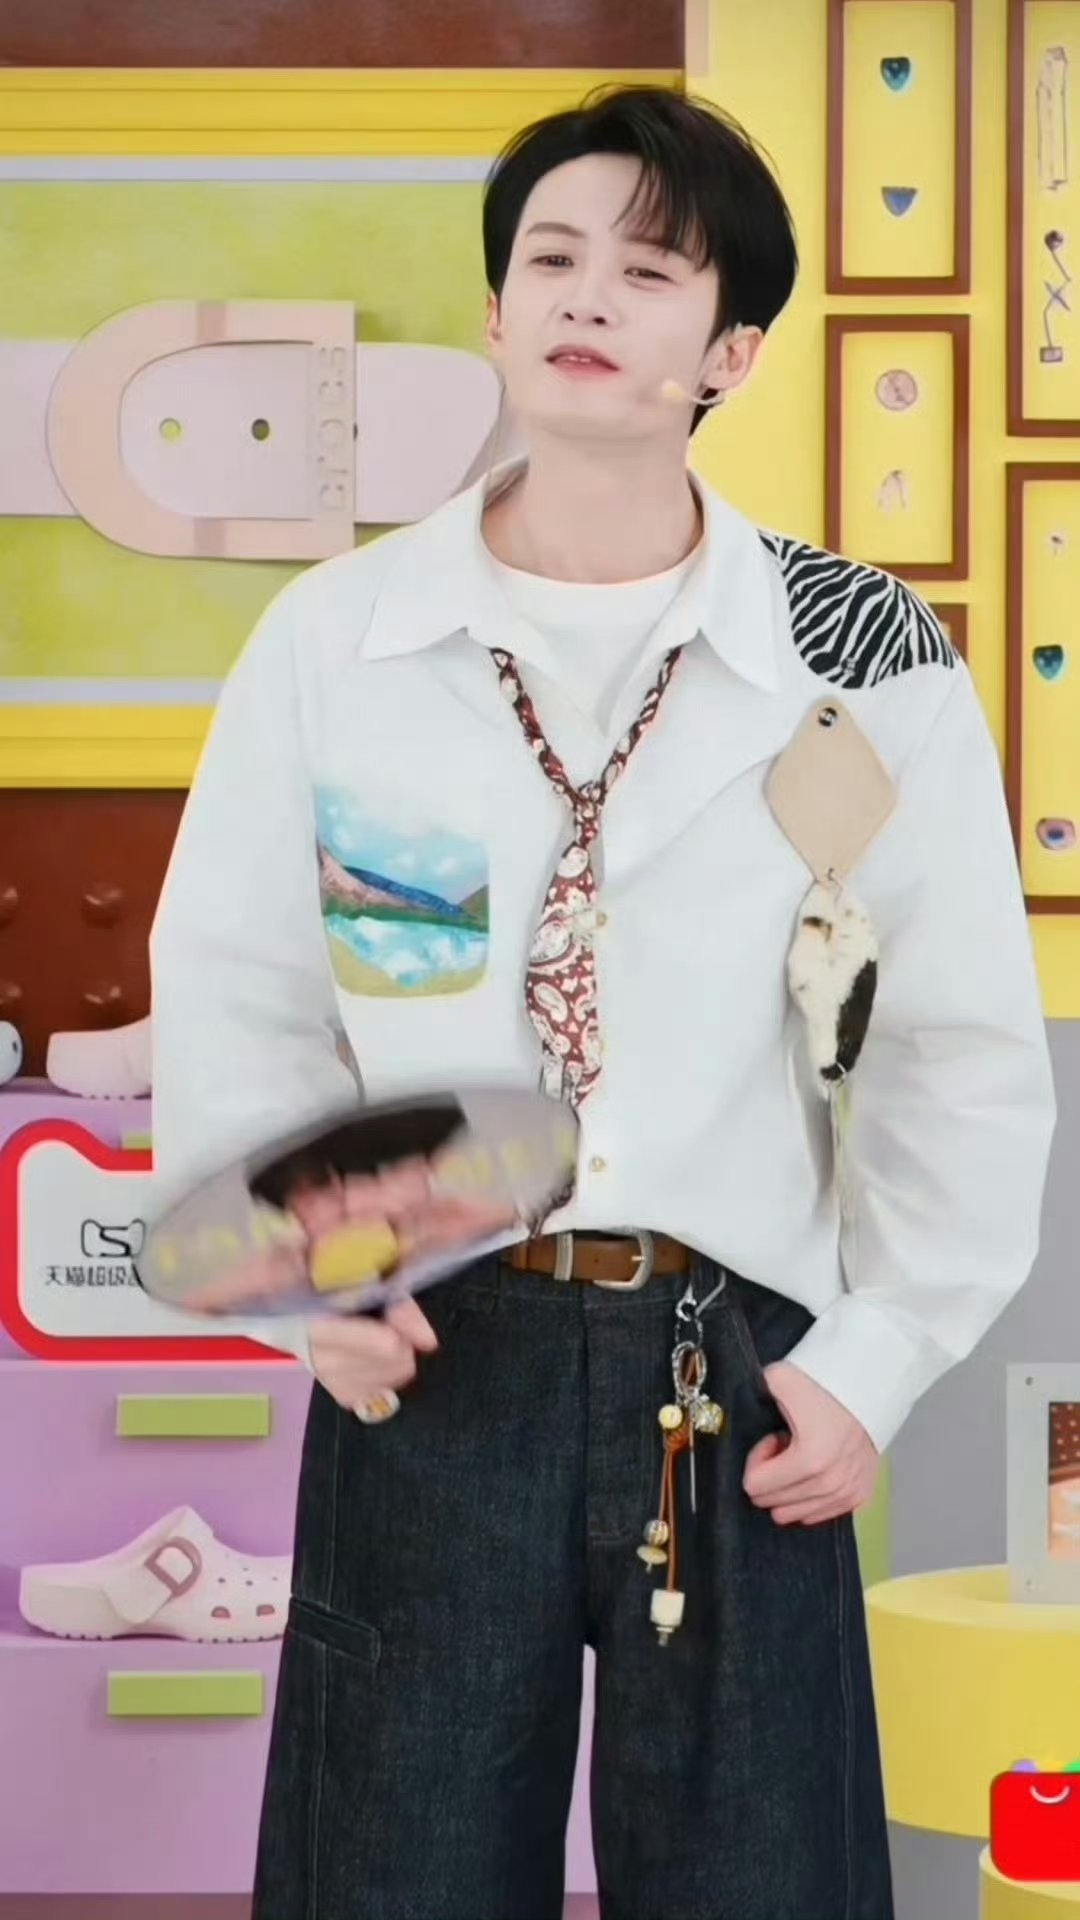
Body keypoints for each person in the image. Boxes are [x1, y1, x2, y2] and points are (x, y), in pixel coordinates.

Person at [149, 83, 1056, 1920]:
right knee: (384, 1879)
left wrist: (877, 1358)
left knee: (764, 1882)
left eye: (650, 271)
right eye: (552, 257)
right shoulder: (337, 642)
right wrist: (303, 1290)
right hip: (430, 1352)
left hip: (737, 1368)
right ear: (494, 314)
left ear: (729, 350)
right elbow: (241, 994)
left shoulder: (860, 654)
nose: (586, 295)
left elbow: (956, 1042)